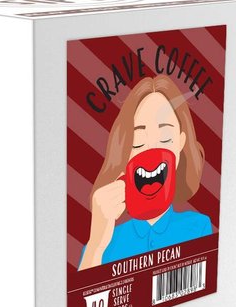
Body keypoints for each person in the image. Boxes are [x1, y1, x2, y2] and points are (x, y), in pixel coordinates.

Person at [78, 74, 212, 270]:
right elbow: (85, 290)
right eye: (139, 141)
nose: (151, 149)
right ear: (126, 152)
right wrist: (96, 245)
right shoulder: (102, 243)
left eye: (165, 138)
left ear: (180, 144)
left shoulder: (197, 227)